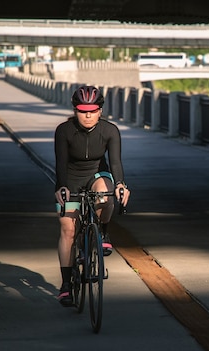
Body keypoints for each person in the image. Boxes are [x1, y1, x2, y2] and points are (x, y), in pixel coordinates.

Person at [54, 85, 130, 306]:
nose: (87, 115)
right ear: (75, 110)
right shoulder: (64, 130)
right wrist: (61, 186)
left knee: (105, 195)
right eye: (82, 110)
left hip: (97, 173)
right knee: (68, 229)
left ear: (100, 111)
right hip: (70, 177)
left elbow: (115, 162)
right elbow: (60, 163)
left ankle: (103, 234)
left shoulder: (110, 130)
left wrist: (121, 185)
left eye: (92, 110)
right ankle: (66, 284)